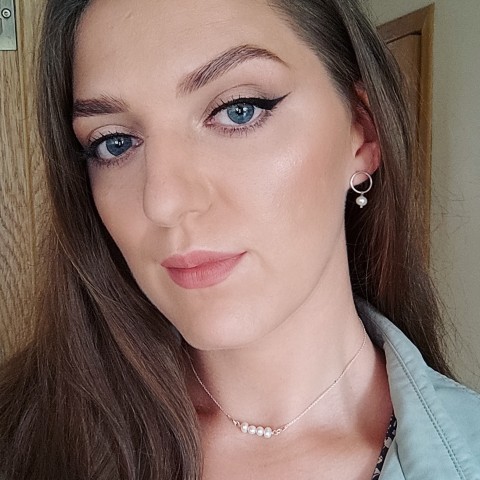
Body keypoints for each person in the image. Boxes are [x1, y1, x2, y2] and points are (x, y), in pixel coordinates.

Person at [1, 0, 479, 478]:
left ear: (362, 133)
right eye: (114, 142)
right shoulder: (21, 442)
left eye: (238, 111)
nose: (163, 202)